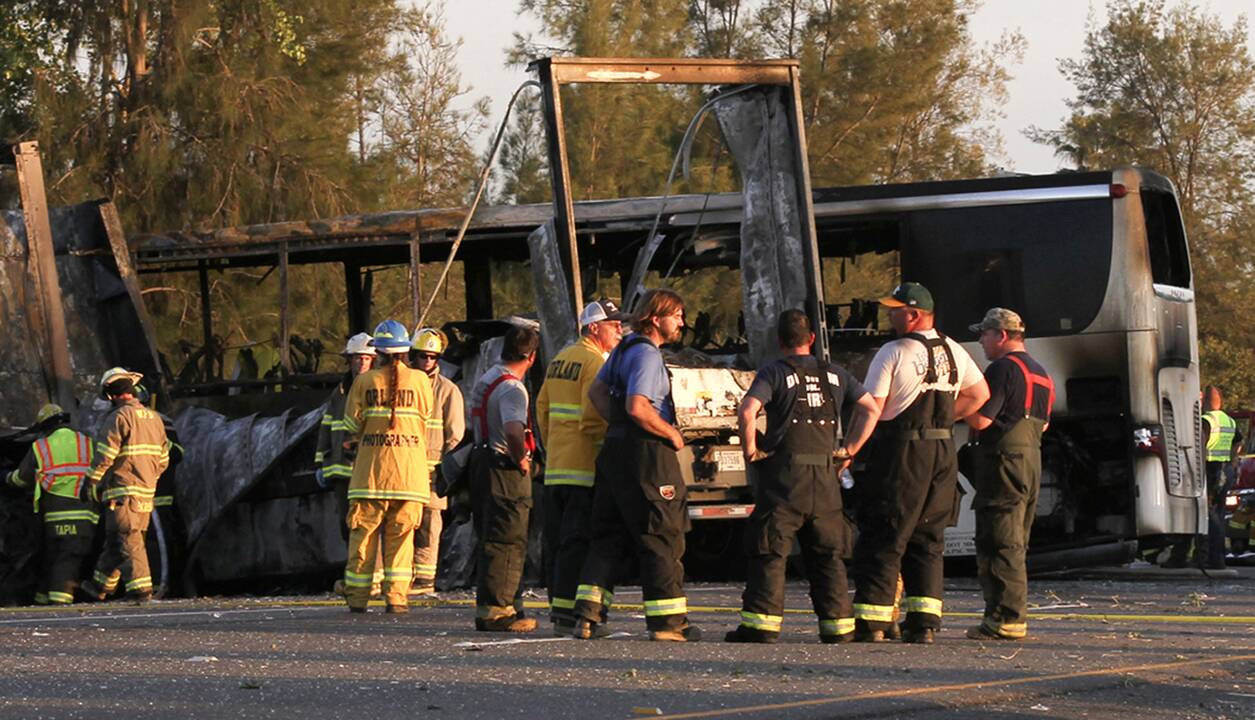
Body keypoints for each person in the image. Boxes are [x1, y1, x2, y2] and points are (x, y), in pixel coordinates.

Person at [726, 309, 880, 644]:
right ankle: (838, 627)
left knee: (771, 551)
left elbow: (748, 409)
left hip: (784, 479)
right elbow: (871, 408)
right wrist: (849, 449)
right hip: (825, 478)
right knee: (828, 554)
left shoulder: (774, 373)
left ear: (780, 342)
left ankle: (761, 627)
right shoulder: (836, 374)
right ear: (811, 339)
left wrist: (751, 451)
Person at [850, 283, 988, 643]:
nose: (889, 314)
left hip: (902, 454)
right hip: (942, 455)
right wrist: (941, 424)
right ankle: (924, 623)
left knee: (886, 533)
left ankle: (873, 622)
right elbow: (979, 395)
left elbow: (873, 408)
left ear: (913, 314)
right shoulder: (955, 350)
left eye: (894, 309)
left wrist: (848, 451)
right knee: (928, 538)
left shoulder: (893, 351)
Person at [574, 288, 701, 642]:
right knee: (662, 534)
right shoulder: (646, 355)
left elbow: (597, 394)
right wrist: (672, 435)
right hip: (647, 454)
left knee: (607, 537)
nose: (682, 322)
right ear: (656, 318)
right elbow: (638, 407)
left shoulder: (622, 350)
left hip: (615, 451)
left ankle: (587, 616)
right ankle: (668, 623)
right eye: (677, 315)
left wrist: (617, 427)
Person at [535, 299, 628, 635]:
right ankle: (577, 615)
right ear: (593, 328)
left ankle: (560, 614)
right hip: (585, 467)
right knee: (584, 544)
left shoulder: (559, 359)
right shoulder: (595, 362)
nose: (620, 329)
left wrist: (551, 447)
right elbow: (595, 417)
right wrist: (613, 448)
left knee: (562, 545)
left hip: (558, 466)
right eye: (612, 324)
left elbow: (542, 407)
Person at [962, 308, 1054, 641]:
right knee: (1017, 540)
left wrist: (952, 406)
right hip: (1030, 460)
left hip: (1002, 461)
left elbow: (982, 419)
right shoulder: (1042, 373)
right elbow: (1044, 423)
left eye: (984, 334)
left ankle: (1005, 618)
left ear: (1001, 335)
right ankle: (1007, 614)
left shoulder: (1002, 368)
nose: (981, 341)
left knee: (999, 539)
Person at [340, 320, 432, 613]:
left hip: (370, 477)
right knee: (401, 542)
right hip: (410, 478)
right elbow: (426, 419)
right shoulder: (421, 382)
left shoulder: (364, 383)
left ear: (377, 352)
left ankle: (357, 599)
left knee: (363, 541)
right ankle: (396, 599)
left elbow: (351, 425)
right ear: (406, 351)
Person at [468, 324, 541, 632]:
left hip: (481, 463)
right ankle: (500, 612)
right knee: (508, 540)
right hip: (503, 469)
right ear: (533, 357)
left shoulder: (488, 377)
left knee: (490, 538)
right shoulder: (513, 388)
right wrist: (522, 460)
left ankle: (493, 605)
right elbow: (513, 430)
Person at [80, 368, 171, 603]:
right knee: (117, 541)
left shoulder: (118, 417)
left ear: (111, 395)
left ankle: (141, 589)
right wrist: (147, 479)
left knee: (129, 539)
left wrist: (90, 482)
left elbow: (105, 456)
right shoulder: (155, 418)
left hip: (122, 491)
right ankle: (98, 587)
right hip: (145, 493)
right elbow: (163, 460)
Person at [6, 404, 99, 605]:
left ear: (44, 427)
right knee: (70, 559)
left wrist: (5, 478)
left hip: (53, 516)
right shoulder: (87, 443)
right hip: (85, 513)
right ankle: (59, 604)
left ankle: (48, 602)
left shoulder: (41, 446)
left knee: (54, 558)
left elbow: (21, 479)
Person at [315, 333, 377, 594]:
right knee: (347, 526)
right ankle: (354, 576)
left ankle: (369, 579)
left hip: (367, 470)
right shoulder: (339, 392)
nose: (361, 364)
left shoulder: (377, 388)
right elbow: (326, 428)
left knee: (368, 524)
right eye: (356, 359)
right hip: (341, 473)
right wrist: (321, 462)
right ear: (348, 361)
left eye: (366, 358)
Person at [409, 327, 465, 595]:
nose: (427, 362)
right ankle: (403, 577)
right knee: (405, 524)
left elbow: (454, 436)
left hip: (433, 472)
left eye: (432, 357)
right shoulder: (403, 385)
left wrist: (447, 471)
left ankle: (425, 579)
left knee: (430, 526)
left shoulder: (448, 391)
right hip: (406, 470)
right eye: (422, 356)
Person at [1164, 386, 1242, 569]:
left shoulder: (1205, 420)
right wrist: (1232, 461)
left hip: (1209, 470)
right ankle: (1215, 557)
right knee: (1218, 515)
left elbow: (1200, 446)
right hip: (1224, 470)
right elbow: (1238, 442)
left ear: (1205, 401)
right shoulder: (1229, 420)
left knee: (1206, 515)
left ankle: (1205, 558)